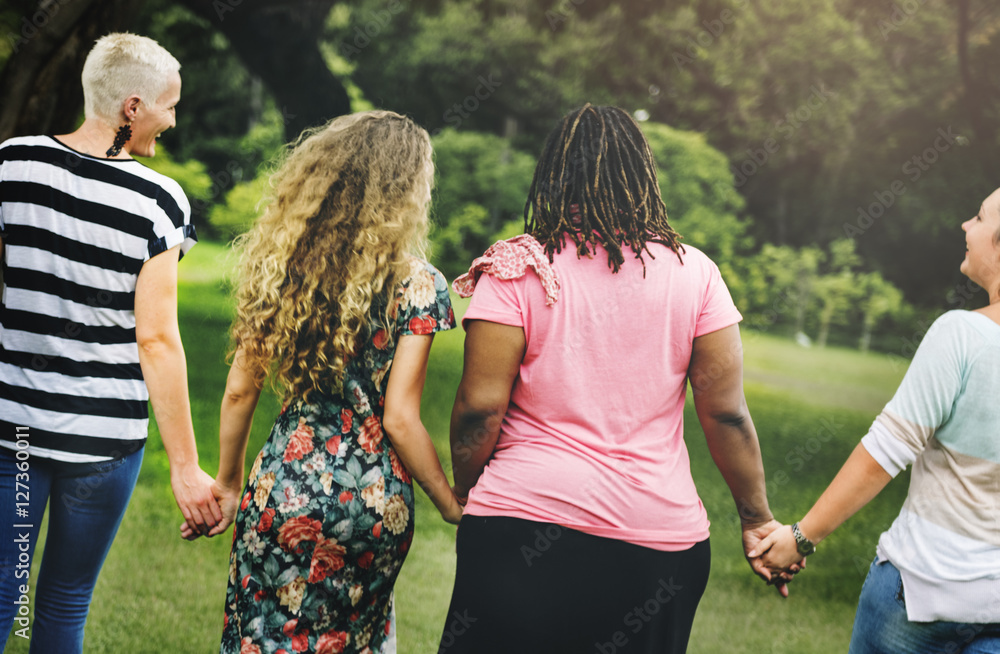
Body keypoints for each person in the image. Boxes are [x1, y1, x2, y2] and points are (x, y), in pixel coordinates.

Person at [440, 104, 786, 654]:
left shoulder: (519, 265)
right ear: (642, 173)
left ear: (554, 174)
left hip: (520, 525)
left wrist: (464, 488)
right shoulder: (695, 273)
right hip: (655, 546)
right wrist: (757, 519)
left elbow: (481, 408)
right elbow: (725, 412)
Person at [192, 110, 463, 654]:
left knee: (262, 637)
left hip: (284, 488)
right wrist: (450, 503)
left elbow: (240, 390)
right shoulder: (419, 284)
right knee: (355, 639)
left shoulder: (282, 267)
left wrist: (227, 481)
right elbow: (400, 418)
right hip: (372, 504)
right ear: (406, 190)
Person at [0, 32, 219, 652]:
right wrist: (185, 468)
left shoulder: (12, 164)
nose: (172, 119)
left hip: (10, 425)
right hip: (103, 440)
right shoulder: (158, 200)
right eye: (168, 105)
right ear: (132, 106)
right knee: (66, 604)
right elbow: (156, 340)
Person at [749, 188, 1000, 652]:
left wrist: (799, 539)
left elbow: (887, 449)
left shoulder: (963, 335)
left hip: (919, 596)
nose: (966, 226)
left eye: (980, 218)